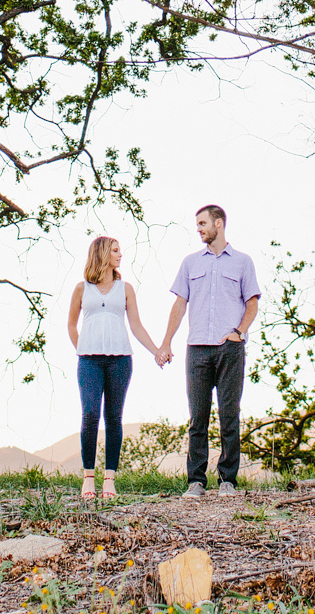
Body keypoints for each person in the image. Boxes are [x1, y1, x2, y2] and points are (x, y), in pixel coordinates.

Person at [157, 204, 260, 496]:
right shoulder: (190, 263)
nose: (199, 229)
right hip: (197, 349)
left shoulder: (242, 262)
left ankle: (228, 480)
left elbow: (252, 303)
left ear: (219, 223)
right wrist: (166, 342)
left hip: (230, 349)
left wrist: (238, 333)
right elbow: (179, 305)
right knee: (197, 418)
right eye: (198, 225)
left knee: (229, 415)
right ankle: (196, 482)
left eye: (203, 223)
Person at [68, 235, 167, 501]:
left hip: (120, 360)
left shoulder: (125, 289)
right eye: (115, 250)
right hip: (89, 361)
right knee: (90, 415)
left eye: (119, 250)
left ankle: (109, 480)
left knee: (113, 418)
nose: (120, 254)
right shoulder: (81, 289)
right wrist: (83, 347)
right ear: (101, 254)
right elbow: (71, 325)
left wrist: (157, 350)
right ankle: (89, 477)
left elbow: (136, 326)